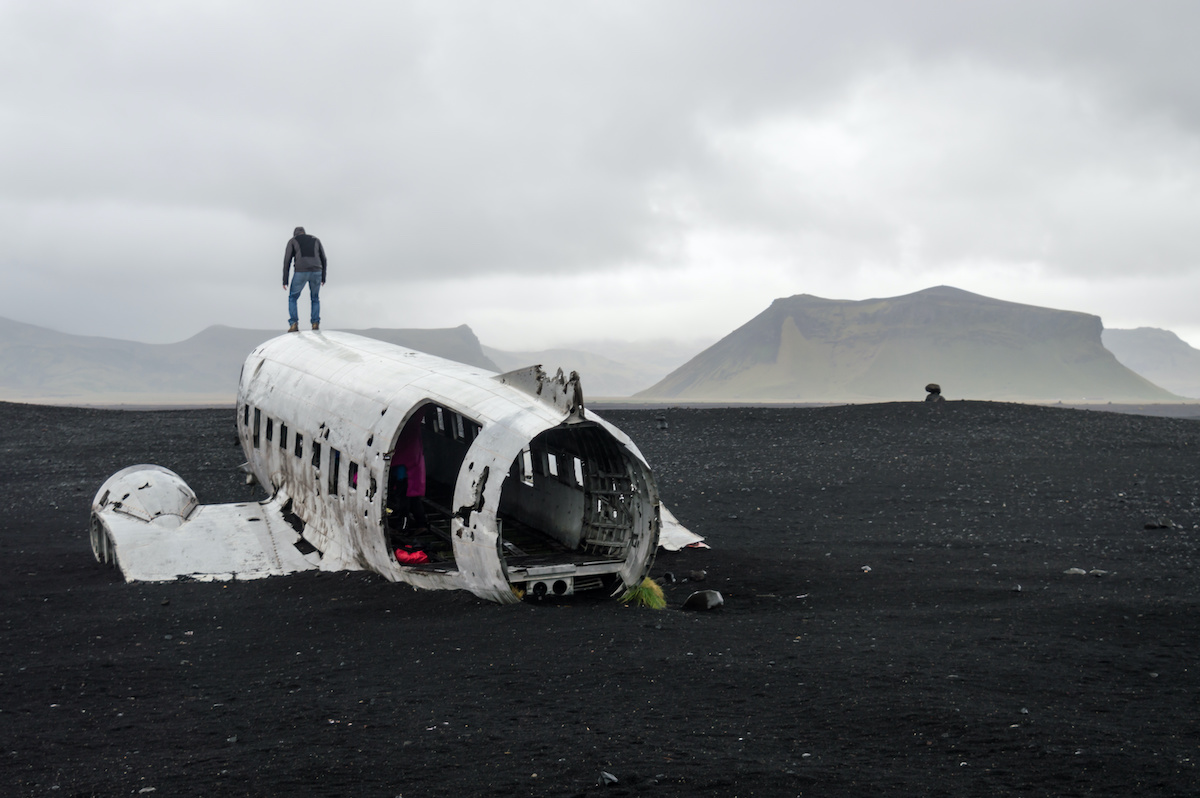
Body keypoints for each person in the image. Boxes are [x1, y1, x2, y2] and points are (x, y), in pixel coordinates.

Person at [282, 226, 327, 332]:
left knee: (293, 298)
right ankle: (315, 323)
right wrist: (323, 277)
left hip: (301, 272)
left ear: (295, 234)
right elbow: (323, 259)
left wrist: (285, 280)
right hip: (317, 271)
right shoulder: (316, 240)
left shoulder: (292, 241)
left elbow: (287, 260)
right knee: (315, 298)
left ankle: (294, 324)